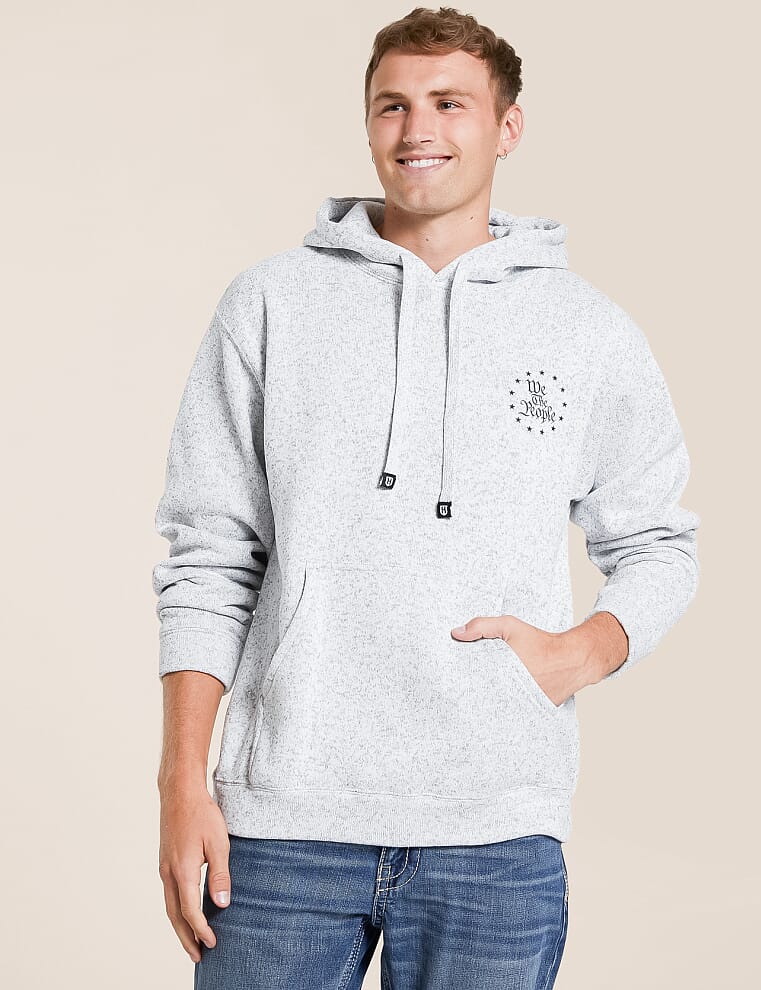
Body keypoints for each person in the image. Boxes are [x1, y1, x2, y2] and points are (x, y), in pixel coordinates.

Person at [153, 6, 701, 988]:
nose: (417, 130)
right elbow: (209, 555)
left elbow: (657, 542)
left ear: (506, 125)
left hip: (494, 829)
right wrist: (179, 784)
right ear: (367, 122)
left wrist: (579, 653)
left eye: (449, 103)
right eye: (392, 105)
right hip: (282, 821)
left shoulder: (585, 330)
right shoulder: (270, 304)